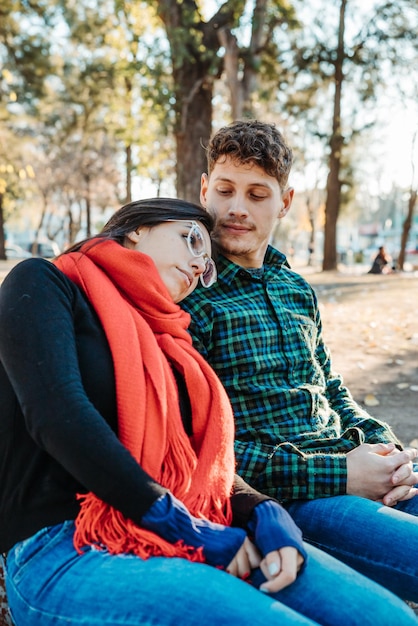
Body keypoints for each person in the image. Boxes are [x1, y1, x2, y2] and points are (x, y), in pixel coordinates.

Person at [2, 197, 415, 626]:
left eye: (207, 262)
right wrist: (176, 520)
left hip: (183, 527)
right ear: (137, 228)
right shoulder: (44, 283)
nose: (200, 265)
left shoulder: (172, 344)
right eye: (191, 240)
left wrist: (261, 511)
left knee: (384, 616)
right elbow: (58, 413)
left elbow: (201, 454)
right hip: (62, 549)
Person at [180, 119, 418, 604]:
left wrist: (389, 453)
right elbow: (203, 449)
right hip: (298, 497)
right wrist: (342, 475)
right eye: (224, 190)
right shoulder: (192, 299)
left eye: (257, 194)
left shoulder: (295, 288)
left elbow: (330, 387)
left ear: (285, 202)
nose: (237, 208)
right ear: (205, 189)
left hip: (354, 461)